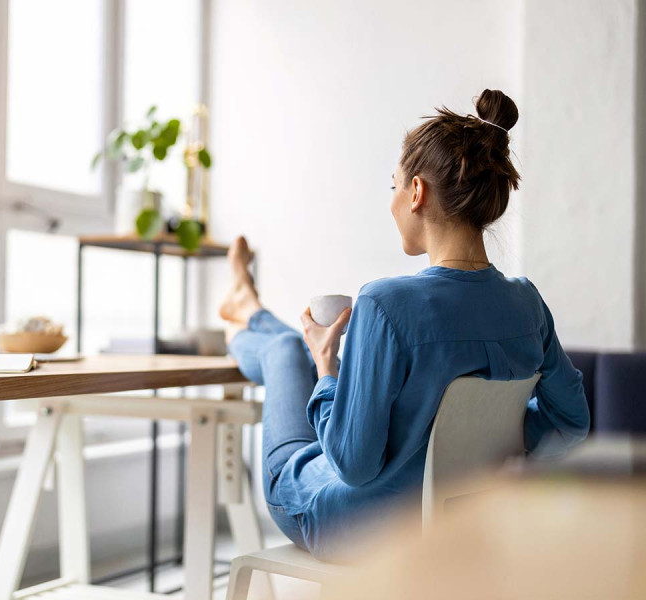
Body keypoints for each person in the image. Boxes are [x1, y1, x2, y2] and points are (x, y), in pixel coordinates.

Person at [218, 89, 590, 561]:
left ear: (417, 192)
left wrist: (327, 370)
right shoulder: (527, 304)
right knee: (291, 349)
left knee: (287, 353)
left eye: (393, 186)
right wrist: (491, 444)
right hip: (461, 526)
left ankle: (245, 317)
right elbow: (570, 423)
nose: (392, 202)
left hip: (359, 528)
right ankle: (248, 309)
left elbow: (353, 466)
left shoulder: (385, 304)